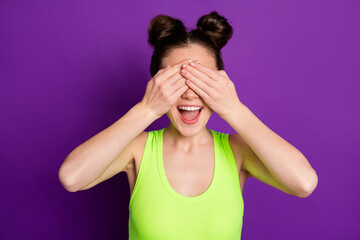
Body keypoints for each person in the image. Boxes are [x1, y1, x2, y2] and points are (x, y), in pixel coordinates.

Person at [58, 11, 318, 240]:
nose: (191, 95)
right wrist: (147, 109)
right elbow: (72, 177)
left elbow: (304, 183)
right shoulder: (138, 150)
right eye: (177, 81)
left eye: (202, 81)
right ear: (157, 86)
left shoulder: (237, 151)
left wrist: (234, 109)